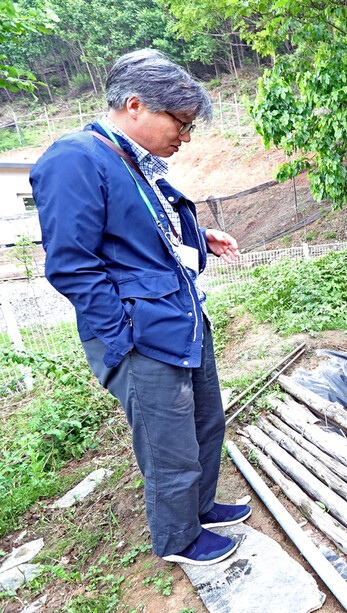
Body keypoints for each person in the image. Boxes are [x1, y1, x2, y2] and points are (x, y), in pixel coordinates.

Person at [31, 49, 250, 566]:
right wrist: (123, 335)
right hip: (142, 333)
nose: (186, 136)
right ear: (135, 106)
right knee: (167, 444)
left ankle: (199, 509)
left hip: (180, 318)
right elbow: (71, 264)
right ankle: (179, 540)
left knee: (204, 422)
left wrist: (199, 235)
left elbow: (142, 227)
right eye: (181, 122)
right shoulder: (76, 158)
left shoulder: (134, 160)